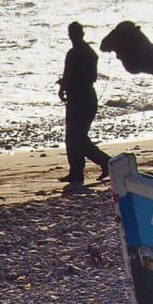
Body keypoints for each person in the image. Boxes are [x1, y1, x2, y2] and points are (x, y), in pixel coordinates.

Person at [58, 21, 110, 186]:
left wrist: (64, 86)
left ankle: (105, 162)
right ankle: (76, 173)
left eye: (72, 34)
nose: (71, 37)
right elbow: (88, 76)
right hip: (86, 97)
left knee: (76, 138)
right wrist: (66, 85)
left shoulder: (75, 53)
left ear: (76, 35)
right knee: (75, 137)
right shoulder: (90, 53)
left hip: (80, 98)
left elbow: (71, 76)